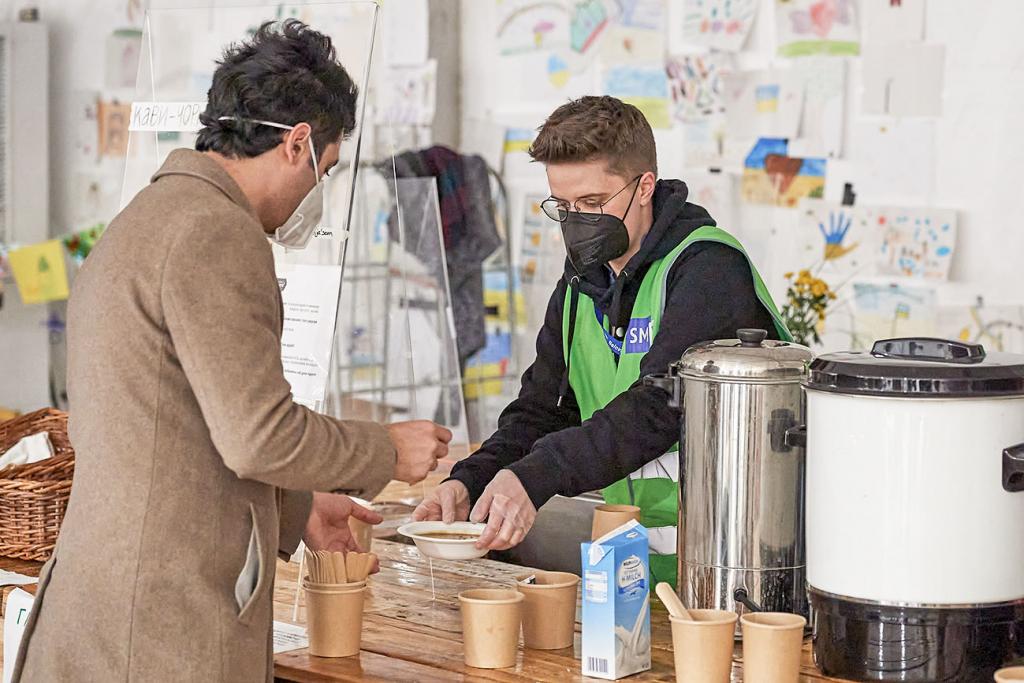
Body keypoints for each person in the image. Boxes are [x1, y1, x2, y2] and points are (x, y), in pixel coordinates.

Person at [13, 21, 451, 682]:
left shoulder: (151, 216)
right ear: (298, 142)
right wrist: (386, 449)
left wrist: (301, 508)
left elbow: (182, 431)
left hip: (104, 614)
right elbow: (260, 436)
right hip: (158, 631)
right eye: (325, 171)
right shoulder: (217, 232)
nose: (316, 193)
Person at [415, 96, 790, 586]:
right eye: (563, 206)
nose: (576, 221)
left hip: (732, 567)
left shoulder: (709, 271)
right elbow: (540, 411)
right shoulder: (579, 287)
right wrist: (470, 480)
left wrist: (536, 477)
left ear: (644, 188)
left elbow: (663, 407)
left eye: (592, 204)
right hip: (636, 567)